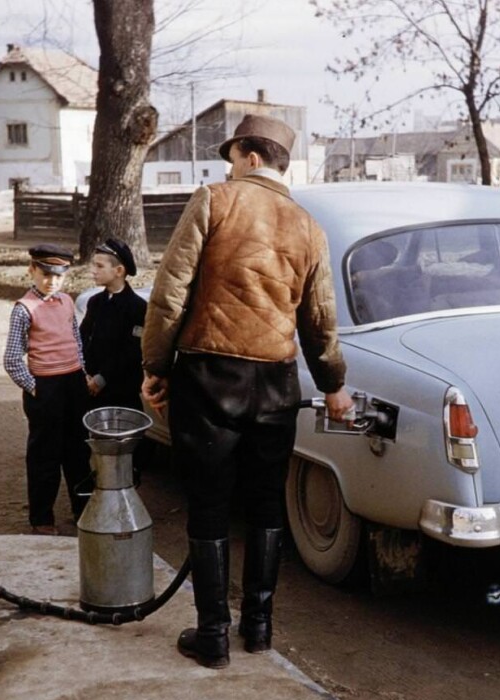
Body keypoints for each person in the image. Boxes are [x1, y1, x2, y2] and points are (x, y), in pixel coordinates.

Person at [141, 114, 354, 670]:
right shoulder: (310, 227)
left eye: (232, 157)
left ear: (251, 157)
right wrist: (333, 384)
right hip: (276, 382)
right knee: (265, 506)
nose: (228, 168)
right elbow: (320, 320)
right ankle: (259, 628)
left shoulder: (214, 200)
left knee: (209, 505)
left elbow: (169, 291)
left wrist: (155, 364)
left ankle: (213, 633)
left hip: (210, 375)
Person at [3, 243, 93, 536]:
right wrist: (35, 388)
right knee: (45, 456)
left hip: (74, 384)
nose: (51, 281)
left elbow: (76, 340)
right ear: (32, 270)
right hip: (45, 388)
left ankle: (85, 514)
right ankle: (42, 519)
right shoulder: (24, 309)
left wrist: (82, 374)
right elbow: (12, 358)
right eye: (45, 273)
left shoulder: (67, 301)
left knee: (79, 454)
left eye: (58, 275)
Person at [80, 236, 148, 412]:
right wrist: (85, 374)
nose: (93, 271)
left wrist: (102, 378)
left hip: (120, 391)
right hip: (90, 387)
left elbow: (132, 350)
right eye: (93, 265)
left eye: (100, 266)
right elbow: (82, 338)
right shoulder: (95, 302)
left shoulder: (137, 307)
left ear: (118, 271)